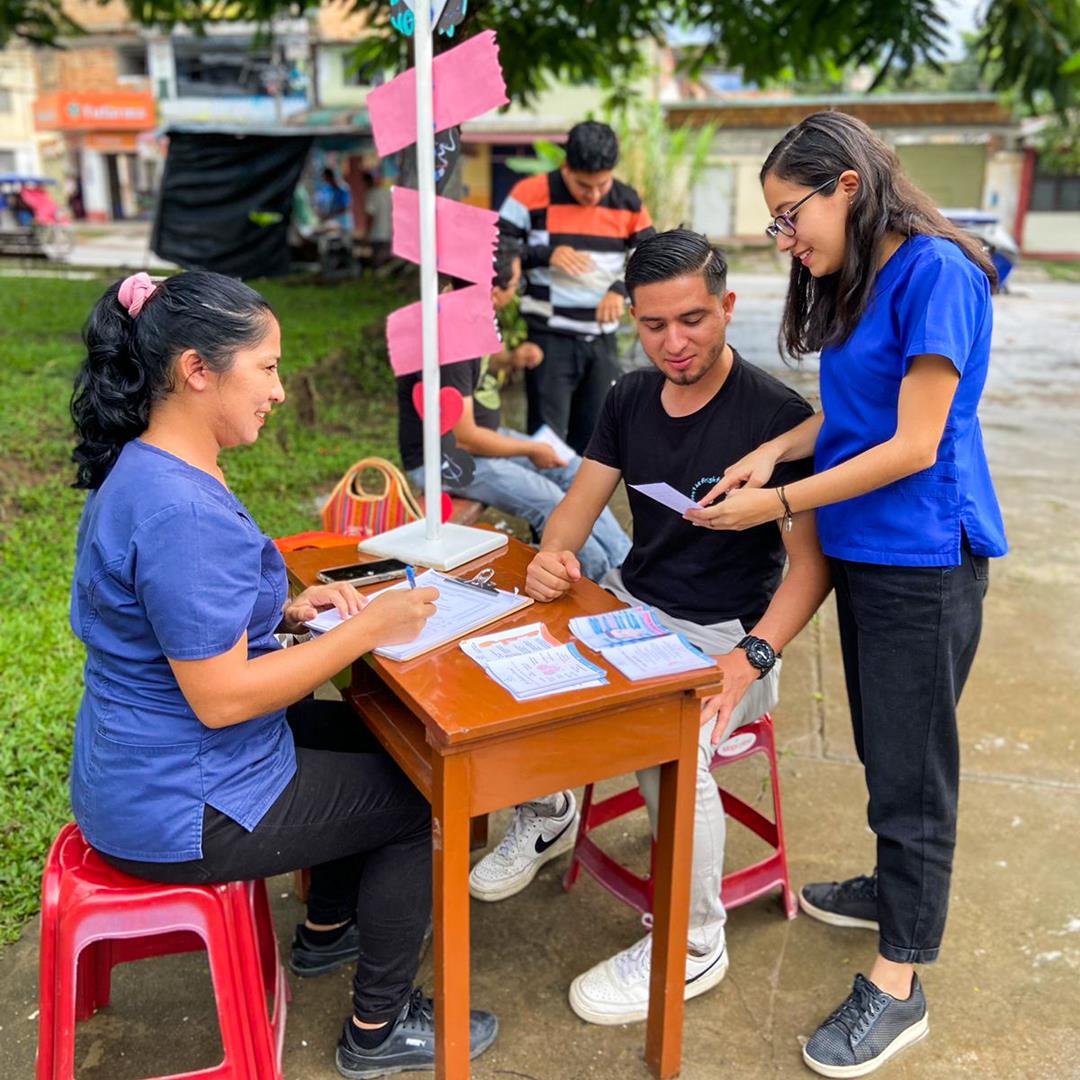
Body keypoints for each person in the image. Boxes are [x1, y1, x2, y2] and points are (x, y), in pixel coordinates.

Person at [68, 270, 498, 1079]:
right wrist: (367, 627)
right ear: (198, 370)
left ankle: (328, 930)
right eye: (266, 367)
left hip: (140, 767)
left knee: (375, 735)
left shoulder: (151, 467)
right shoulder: (181, 509)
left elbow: (182, 624)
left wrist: (290, 616)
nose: (278, 389)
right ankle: (377, 1028)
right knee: (419, 797)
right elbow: (222, 698)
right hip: (179, 800)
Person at [689, 112, 1008, 1077]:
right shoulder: (864, 277)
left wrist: (779, 502)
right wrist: (771, 451)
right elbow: (857, 415)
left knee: (914, 771)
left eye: (792, 216)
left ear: (849, 186)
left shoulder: (939, 272)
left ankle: (900, 980)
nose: (787, 240)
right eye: (777, 224)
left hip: (924, 558)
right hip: (868, 550)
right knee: (884, 744)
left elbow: (913, 443)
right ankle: (892, 887)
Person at [468, 230, 831, 1025]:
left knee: (668, 740)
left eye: (693, 320)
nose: (675, 343)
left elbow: (811, 571)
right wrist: (551, 559)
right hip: (635, 608)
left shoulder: (776, 418)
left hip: (731, 636)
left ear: (727, 306)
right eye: (655, 324)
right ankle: (551, 812)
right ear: (631, 316)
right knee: (513, 653)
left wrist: (751, 656)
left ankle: (695, 942)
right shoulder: (630, 397)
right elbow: (575, 510)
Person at [397, 255, 631, 582]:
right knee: (550, 501)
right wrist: (531, 450)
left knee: (575, 470)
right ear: (494, 292)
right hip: (445, 459)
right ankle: (601, 582)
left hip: (482, 439)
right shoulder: (450, 337)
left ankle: (626, 566)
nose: (517, 293)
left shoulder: (469, 315)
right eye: (516, 286)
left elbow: (474, 372)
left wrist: (510, 359)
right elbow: (464, 437)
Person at [497, 120, 655, 454]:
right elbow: (500, 247)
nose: (593, 195)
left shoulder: (627, 202)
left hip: (602, 340)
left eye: (602, 185)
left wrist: (619, 289)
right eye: (584, 186)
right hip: (548, 337)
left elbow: (650, 259)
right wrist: (547, 254)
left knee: (597, 442)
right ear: (566, 166)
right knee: (546, 445)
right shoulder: (529, 194)